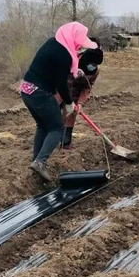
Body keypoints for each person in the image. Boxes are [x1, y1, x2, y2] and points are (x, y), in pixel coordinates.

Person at [21, 22, 98, 181]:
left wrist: (75, 71)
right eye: (80, 43)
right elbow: (61, 84)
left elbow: (52, 68)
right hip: (39, 92)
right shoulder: (63, 54)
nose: (80, 47)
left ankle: (36, 160)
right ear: (74, 37)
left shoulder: (53, 42)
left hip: (26, 90)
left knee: (43, 126)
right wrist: (69, 103)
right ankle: (40, 162)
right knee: (57, 127)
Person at [62, 40, 103, 149]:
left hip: (75, 94)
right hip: (61, 90)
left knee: (70, 115)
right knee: (54, 115)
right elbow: (62, 79)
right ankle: (50, 139)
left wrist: (80, 103)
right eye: (92, 64)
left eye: (95, 65)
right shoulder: (72, 59)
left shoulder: (95, 71)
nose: (93, 66)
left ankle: (65, 142)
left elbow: (87, 88)